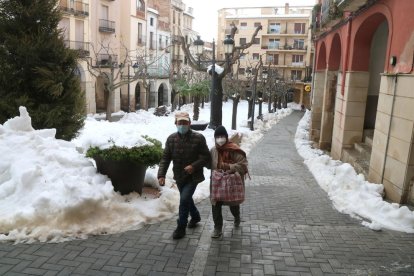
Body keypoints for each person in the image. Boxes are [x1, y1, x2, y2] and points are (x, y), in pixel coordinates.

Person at [158, 111, 211, 239]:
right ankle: (196, 216)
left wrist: (194, 166)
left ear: (189, 123)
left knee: (184, 199)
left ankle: (181, 227)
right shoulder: (171, 139)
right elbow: (165, 158)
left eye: (185, 122)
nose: (182, 125)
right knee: (186, 198)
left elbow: (206, 156)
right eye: (180, 122)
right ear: (175, 123)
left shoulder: (198, 138)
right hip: (179, 176)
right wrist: (161, 175)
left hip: (193, 176)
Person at [210, 126, 248, 238]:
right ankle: (217, 228)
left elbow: (243, 166)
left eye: (222, 136)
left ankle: (237, 216)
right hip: (217, 183)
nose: (220, 139)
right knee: (215, 203)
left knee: (233, 204)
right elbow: (209, 164)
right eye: (217, 137)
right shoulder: (213, 150)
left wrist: (228, 166)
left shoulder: (234, 150)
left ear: (226, 137)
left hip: (231, 183)